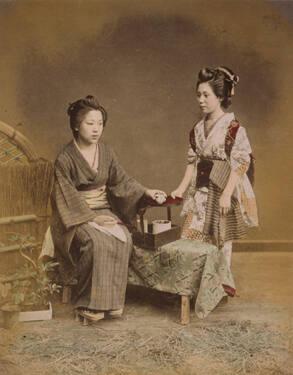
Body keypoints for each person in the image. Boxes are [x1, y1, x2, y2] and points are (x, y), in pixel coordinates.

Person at [51, 95, 166, 322]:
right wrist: (92, 219)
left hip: (103, 209)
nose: (96, 129)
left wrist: (146, 191)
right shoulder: (65, 158)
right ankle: (88, 304)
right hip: (77, 216)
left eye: (100, 124)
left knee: (124, 237)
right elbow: (66, 197)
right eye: (90, 123)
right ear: (76, 124)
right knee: (96, 241)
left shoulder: (106, 152)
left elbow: (121, 181)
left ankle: (112, 303)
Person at [171, 66, 258, 267]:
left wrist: (227, 194)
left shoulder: (233, 128)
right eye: (198, 95)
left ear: (220, 96)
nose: (200, 100)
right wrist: (181, 189)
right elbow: (192, 162)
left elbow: (241, 162)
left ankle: (218, 286)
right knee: (192, 237)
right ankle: (193, 286)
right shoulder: (197, 129)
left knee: (219, 238)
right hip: (200, 190)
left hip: (221, 189)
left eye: (206, 95)